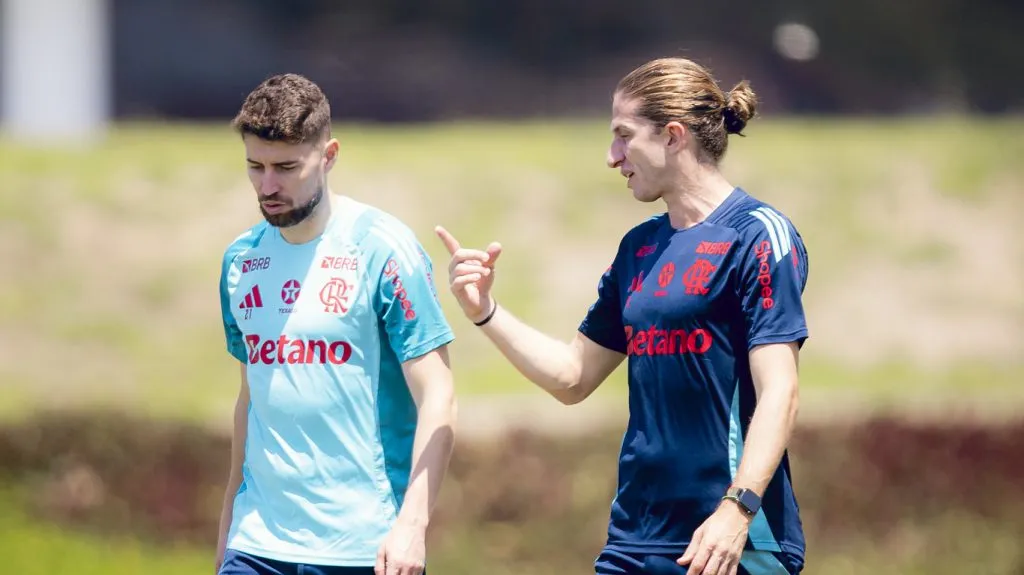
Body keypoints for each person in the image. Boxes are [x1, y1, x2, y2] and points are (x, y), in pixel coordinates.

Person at [435, 57, 810, 575]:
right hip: (635, 540)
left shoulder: (757, 236)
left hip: (729, 543)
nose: (612, 157)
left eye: (623, 136)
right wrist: (485, 312)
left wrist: (737, 508)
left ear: (673, 136)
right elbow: (572, 378)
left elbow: (780, 392)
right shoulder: (639, 247)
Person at [215, 73, 457, 575]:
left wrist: (412, 526)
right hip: (257, 543)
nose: (267, 186)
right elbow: (250, 399)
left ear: (328, 156)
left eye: (286, 167)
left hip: (362, 548)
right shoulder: (240, 260)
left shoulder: (383, 249)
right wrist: (227, 534)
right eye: (254, 167)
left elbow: (439, 394)